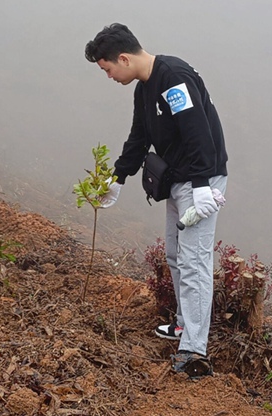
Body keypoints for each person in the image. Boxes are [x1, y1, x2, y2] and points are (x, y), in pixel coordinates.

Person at [84, 23, 228, 378]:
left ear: (123, 58)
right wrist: (117, 177)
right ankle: (184, 326)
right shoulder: (145, 89)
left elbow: (198, 132)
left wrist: (201, 186)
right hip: (178, 179)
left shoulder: (174, 77)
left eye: (107, 69)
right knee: (176, 256)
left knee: (194, 263)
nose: (109, 77)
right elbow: (139, 137)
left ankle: (195, 352)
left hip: (200, 182)